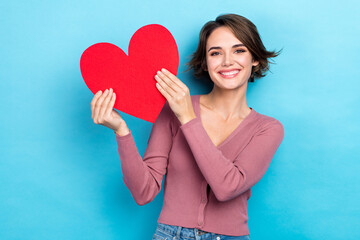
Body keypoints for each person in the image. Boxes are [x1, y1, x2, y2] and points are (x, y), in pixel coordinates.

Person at [90, 14, 284, 240]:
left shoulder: (268, 128)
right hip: (169, 235)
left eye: (239, 50)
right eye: (215, 53)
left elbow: (227, 187)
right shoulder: (172, 109)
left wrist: (188, 118)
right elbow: (144, 192)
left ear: (255, 59)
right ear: (205, 62)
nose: (227, 61)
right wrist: (121, 130)